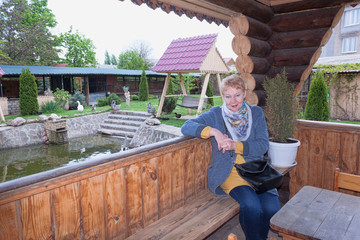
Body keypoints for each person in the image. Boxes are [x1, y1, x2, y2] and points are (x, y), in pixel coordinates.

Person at [181, 74, 280, 240]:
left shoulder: (255, 113)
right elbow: (187, 126)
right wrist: (214, 132)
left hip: (256, 171)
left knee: (271, 208)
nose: (233, 101)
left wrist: (236, 146)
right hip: (230, 172)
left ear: (245, 93)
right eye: (228, 96)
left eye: (237, 95)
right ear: (222, 96)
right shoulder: (215, 114)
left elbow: (263, 145)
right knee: (251, 205)